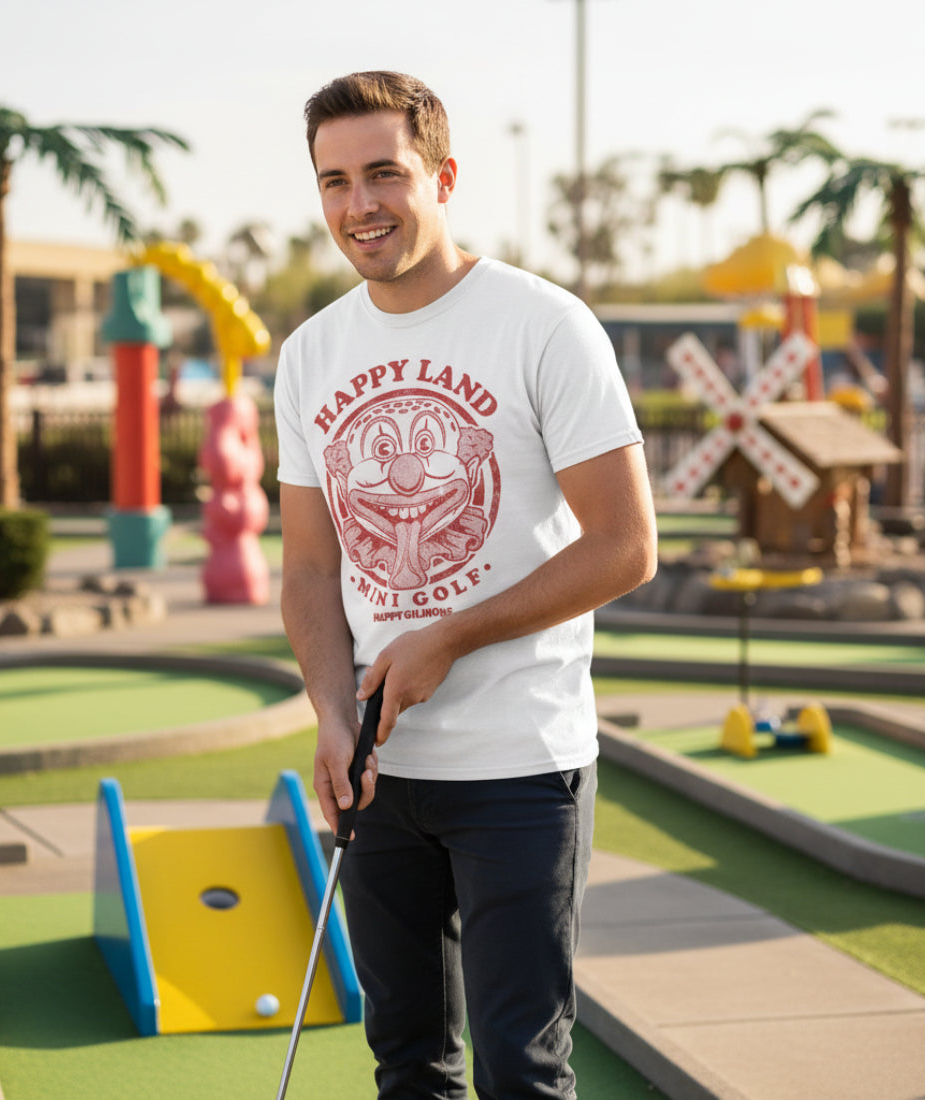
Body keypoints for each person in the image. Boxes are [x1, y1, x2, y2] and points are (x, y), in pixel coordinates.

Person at [274, 70, 658, 1099]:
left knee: (520, 1074)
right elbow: (309, 563)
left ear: (441, 176)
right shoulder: (309, 355)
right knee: (406, 1066)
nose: (361, 205)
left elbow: (624, 544)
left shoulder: (542, 324)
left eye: (385, 174)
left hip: (519, 770)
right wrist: (325, 712)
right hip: (377, 769)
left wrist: (449, 634)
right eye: (335, 181)